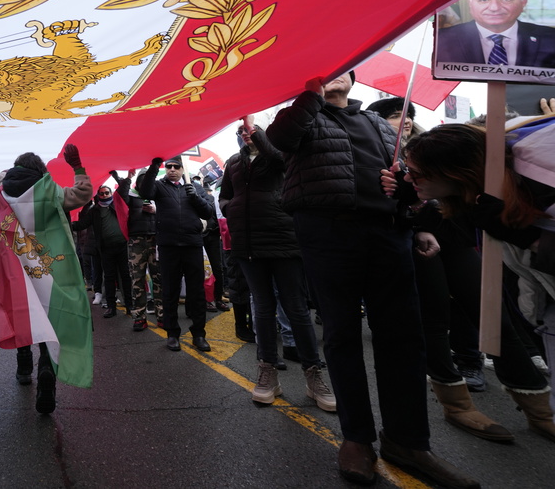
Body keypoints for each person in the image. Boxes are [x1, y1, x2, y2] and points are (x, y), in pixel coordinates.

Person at [266, 72, 478, 488]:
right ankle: (356, 438)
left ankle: (409, 440)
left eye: (344, 68)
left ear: (354, 76)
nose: (334, 74)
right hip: (328, 234)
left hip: (389, 235)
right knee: (343, 335)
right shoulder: (299, 117)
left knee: (403, 337)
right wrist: (309, 93)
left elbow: (405, 184)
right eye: (326, 68)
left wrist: (412, 216)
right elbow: (280, 142)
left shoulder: (379, 123)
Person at [403, 122, 555, 443]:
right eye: (405, 171)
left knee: (495, 323)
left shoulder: (535, 182)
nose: (407, 178)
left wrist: (528, 237)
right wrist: (406, 202)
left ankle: (540, 410)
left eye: (415, 173)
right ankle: (456, 404)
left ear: (454, 172)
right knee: (435, 321)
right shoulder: (479, 195)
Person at [219, 116, 335, 411]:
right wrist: (230, 209)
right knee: (263, 308)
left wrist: (257, 131)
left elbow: (278, 159)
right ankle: (267, 372)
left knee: (296, 309)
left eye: (250, 130)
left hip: (284, 242)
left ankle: (314, 376)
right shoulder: (233, 163)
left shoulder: (280, 154)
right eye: (241, 130)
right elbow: (224, 196)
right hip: (247, 246)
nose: (246, 134)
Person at [0, 146, 92, 413]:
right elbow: (82, 194)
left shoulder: (1, 191)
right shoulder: (51, 190)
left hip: (15, 265)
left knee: (22, 311)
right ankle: (46, 366)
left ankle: (24, 364)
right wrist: (78, 167)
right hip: (50, 266)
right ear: (41, 171)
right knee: (49, 315)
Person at [137, 156, 215, 353]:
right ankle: (172, 334)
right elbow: (144, 191)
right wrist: (154, 166)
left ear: (182, 169)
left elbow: (208, 213)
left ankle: (199, 334)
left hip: (192, 244)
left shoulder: (194, 187)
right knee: (169, 291)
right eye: (168, 166)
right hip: (169, 246)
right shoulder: (159, 186)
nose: (172, 169)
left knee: (196, 292)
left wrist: (195, 197)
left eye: (176, 166)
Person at [436, 0, 555, 67]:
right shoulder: (440, 40)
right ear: (470, 4)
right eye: (484, 0)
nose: (494, 8)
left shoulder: (551, 39)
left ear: (523, 3)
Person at [112, 170, 161, 332]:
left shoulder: (157, 196)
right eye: (142, 179)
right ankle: (140, 317)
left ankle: (162, 315)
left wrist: (155, 211)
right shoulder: (131, 196)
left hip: (156, 241)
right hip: (136, 242)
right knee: (137, 281)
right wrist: (128, 178)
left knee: (159, 279)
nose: (144, 183)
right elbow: (119, 197)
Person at [74, 183, 131, 319]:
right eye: (102, 193)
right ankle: (111, 307)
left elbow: (123, 191)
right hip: (106, 249)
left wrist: (125, 178)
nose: (105, 195)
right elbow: (82, 224)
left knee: (125, 276)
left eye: (107, 193)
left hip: (123, 247)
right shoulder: (95, 210)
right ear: (98, 196)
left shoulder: (117, 205)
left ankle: (130, 305)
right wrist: (66, 224)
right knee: (109, 278)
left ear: (111, 194)